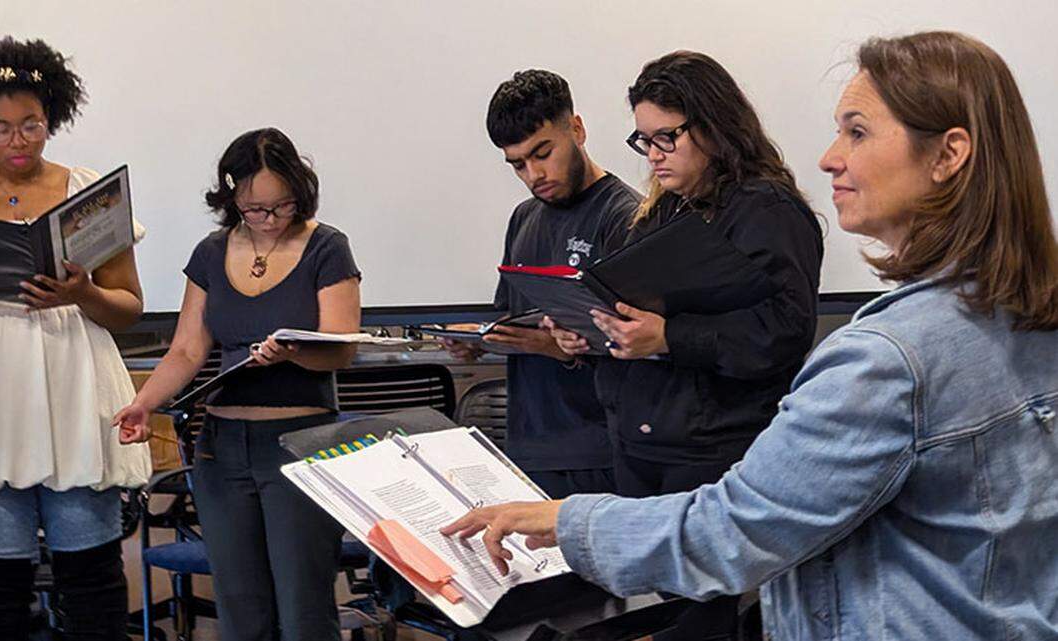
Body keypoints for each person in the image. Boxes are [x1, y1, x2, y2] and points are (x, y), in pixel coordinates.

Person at [444, 31, 1058, 641]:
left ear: (948, 155)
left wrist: (568, 523)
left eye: (857, 131)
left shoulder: (884, 360)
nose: (829, 158)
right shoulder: (1024, 317)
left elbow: (732, 532)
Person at [544, 50, 823, 638]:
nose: (653, 155)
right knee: (663, 612)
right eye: (642, 140)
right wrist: (597, 328)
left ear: (715, 126)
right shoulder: (665, 207)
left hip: (709, 448)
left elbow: (782, 332)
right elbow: (646, 310)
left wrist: (669, 336)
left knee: (703, 619)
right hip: (645, 439)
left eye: (666, 138)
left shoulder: (765, 209)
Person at [0, 37, 150, 641]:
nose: (18, 141)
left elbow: (127, 306)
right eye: (1, 128)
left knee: (91, 574)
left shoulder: (87, 189)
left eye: (32, 125)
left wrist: (82, 295)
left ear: (53, 118)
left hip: (74, 378)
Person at [114, 127, 361, 641]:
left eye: (282, 206)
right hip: (221, 451)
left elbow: (343, 346)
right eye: (255, 209)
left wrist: (295, 351)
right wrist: (144, 405)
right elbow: (186, 351)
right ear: (231, 199)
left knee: (304, 612)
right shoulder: (210, 253)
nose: (270, 219)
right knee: (241, 611)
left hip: (300, 447)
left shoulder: (327, 247)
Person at [444, 70, 640, 499]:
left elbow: (643, 353)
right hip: (530, 449)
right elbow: (510, 319)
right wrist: (480, 341)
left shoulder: (625, 216)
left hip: (600, 452)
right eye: (517, 164)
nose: (533, 174)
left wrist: (555, 348)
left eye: (543, 153)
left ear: (577, 129)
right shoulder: (523, 218)